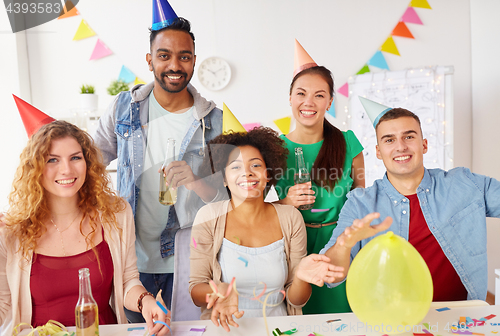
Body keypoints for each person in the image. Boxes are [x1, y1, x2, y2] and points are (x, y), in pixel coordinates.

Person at [93, 12, 223, 320]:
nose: (175, 66)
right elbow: (89, 163)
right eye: (164, 56)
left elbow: (222, 200)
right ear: (150, 60)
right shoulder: (124, 108)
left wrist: (195, 181)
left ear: (194, 60)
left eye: (184, 56)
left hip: (190, 262)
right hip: (131, 262)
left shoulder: (212, 121)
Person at [0, 120, 170, 336]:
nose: (66, 169)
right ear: (35, 167)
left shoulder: (116, 214)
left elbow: (128, 280)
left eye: (75, 158)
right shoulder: (11, 230)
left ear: (88, 162)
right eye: (52, 159)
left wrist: (145, 301)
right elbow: (4, 305)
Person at [321, 102, 500, 301]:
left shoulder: (464, 183)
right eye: (389, 140)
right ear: (379, 152)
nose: (400, 146)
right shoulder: (360, 203)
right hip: (394, 322)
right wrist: (344, 245)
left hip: (463, 319)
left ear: (424, 145)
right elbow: (332, 276)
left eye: (408, 136)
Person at [189, 127, 345, 332]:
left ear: (268, 174)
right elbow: (195, 291)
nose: (247, 172)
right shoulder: (208, 217)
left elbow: (296, 300)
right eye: (235, 167)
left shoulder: (291, 218)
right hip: (226, 329)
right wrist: (221, 290)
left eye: (255, 165)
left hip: (278, 329)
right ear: (224, 178)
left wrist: (300, 278)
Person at [274, 41, 364, 314]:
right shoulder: (274, 150)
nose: (309, 103)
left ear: (330, 102)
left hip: (341, 247)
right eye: (301, 93)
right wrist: (287, 202)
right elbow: (255, 211)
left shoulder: (349, 144)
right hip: (295, 250)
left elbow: (362, 199)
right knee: (301, 320)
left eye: (319, 95)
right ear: (290, 98)